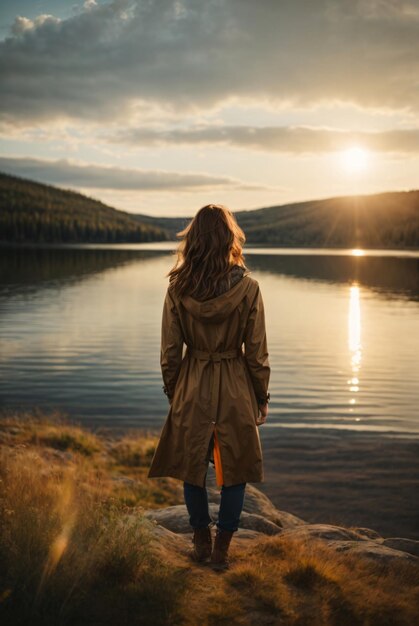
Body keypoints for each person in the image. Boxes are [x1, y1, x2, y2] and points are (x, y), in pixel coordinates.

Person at [147, 203, 271, 571]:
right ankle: (222, 548)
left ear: (194, 241)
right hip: (235, 384)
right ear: (229, 239)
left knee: (192, 465)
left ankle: (200, 540)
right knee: (237, 468)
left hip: (193, 382)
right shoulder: (248, 288)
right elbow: (257, 354)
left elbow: (170, 353)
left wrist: (175, 393)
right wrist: (260, 396)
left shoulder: (177, 288)